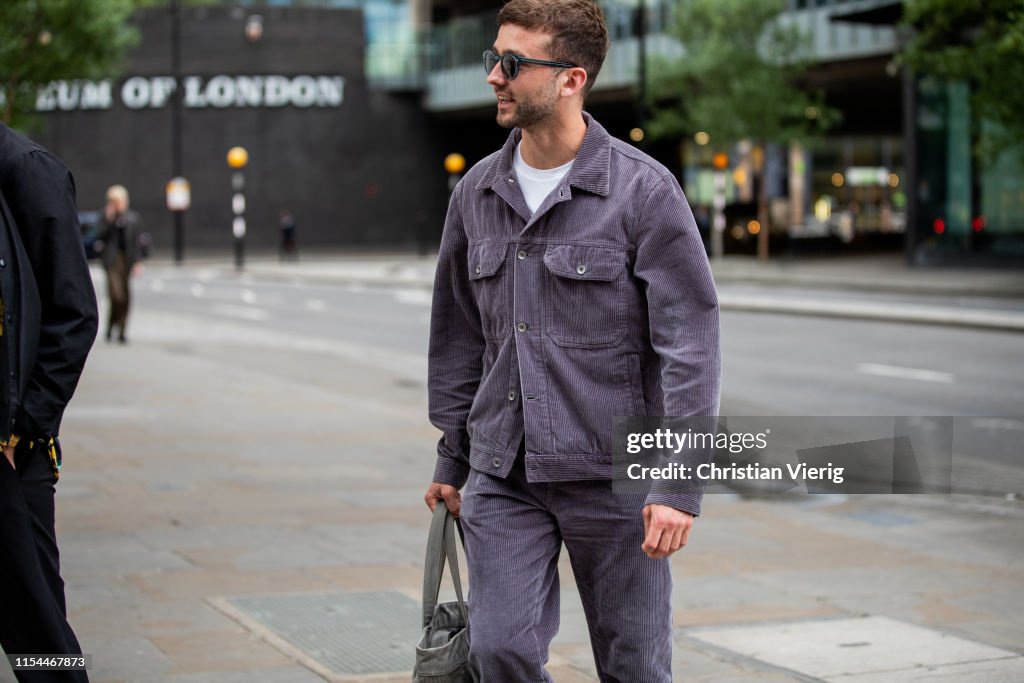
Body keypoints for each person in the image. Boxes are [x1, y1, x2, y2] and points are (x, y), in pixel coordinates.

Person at [423, 1, 721, 679]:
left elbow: (691, 347)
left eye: (514, 63)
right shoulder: (476, 193)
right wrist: (452, 459)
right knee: (497, 648)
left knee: (634, 665)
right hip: (506, 474)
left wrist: (679, 481)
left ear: (571, 79)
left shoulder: (644, 193)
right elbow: (460, 337)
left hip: (618, 477)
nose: (495, 76)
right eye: (493, 58)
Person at [0, 123, 98, 682]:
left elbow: (73, 314)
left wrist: (22, 429)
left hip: (16, 454)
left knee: (38, 633)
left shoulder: (28, 170)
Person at [98, 185, 141, 344]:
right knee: (116, 295)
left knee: (126, 297)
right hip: (111, 260)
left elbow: (136, 242)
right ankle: (110, 326)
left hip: (126, 259)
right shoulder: (105, 217)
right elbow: (99, 235)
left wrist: (137, 262)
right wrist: (110, 220)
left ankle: (122, 330)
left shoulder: (132, 218)